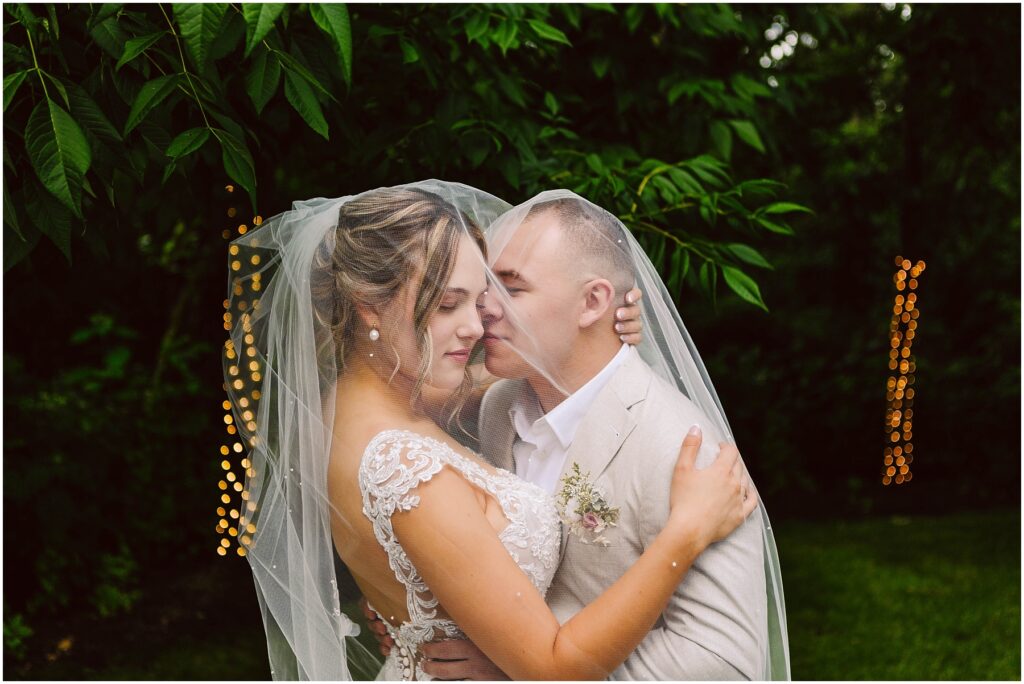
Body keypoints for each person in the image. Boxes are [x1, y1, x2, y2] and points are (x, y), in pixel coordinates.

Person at [223, 181, 758, 680]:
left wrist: (597, 340)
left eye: (495, 294)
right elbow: (549, 664)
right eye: (451, 303)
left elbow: (726, 664)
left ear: (592, 302)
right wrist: (683, 536)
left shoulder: (343, 404)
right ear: (370, 306)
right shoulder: (407, 465)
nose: (480, 322)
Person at [399, 191, 791, 680]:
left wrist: (521, 666)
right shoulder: (499, 407)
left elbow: (727, 664)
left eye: (512, 289)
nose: (483, 312)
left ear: (593, 302)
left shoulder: (681, 449)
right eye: (483, 288)